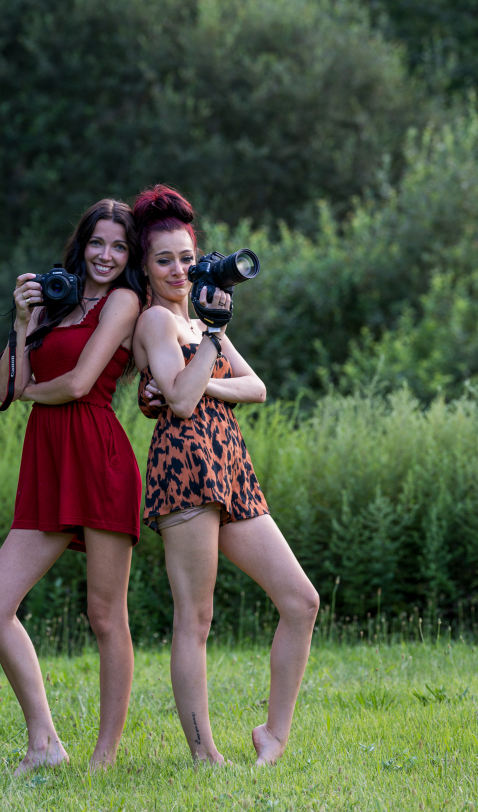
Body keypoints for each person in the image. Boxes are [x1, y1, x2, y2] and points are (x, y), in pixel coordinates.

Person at [132, 185, 319, 767]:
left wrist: (208, 357)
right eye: (164, 260)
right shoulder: (156, 323)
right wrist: (210, 345)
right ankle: (204, 755)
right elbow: (181, 403)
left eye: (186, 258)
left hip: (230, 462)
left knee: (301, 600)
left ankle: (274, 735)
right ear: (146, 266)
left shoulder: (201, 324)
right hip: (186, 465)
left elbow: (256, 388)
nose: (178, 270)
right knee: (196, 617)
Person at [0, 199, 146, 772]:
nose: (106, 255)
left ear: (130, 255)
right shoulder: (55, 300)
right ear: (81, 244)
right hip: (47, 462)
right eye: (97, 243)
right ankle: (44, 743)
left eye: (119, 246)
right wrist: (24, 321)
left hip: (99, 459)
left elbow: (76, 385)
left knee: (105, 616)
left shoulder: (124, 302)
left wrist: (28, 391)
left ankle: (103, 758)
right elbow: (5, 388)